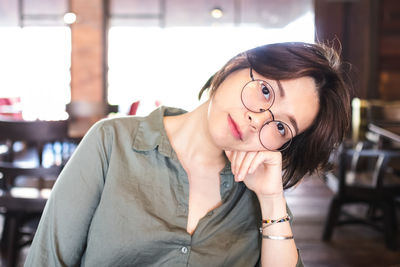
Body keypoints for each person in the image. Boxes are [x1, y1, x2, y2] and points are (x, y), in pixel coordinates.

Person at [25, 42, 351, 267]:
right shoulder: (112, 141)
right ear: (238, 65)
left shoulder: (257, 192)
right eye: (265, 90)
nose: (258, 119)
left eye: (281, 127)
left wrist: (271, 200)